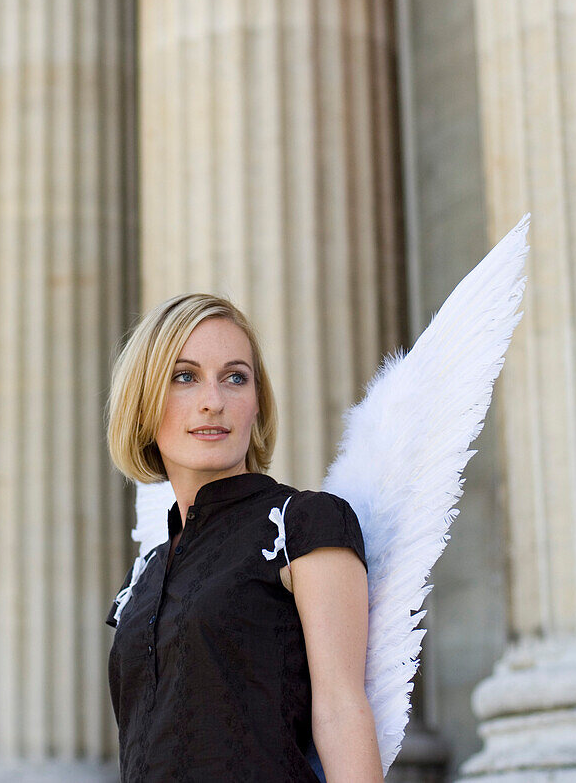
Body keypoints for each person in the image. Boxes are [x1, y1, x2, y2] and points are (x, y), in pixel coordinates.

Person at [105, 292, 384, 782]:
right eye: (184, 377)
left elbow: (341, 711)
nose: (214, 401)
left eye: (236, 377)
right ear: (144, 403)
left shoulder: (304, 523)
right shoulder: (143, 575)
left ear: (257, 404)